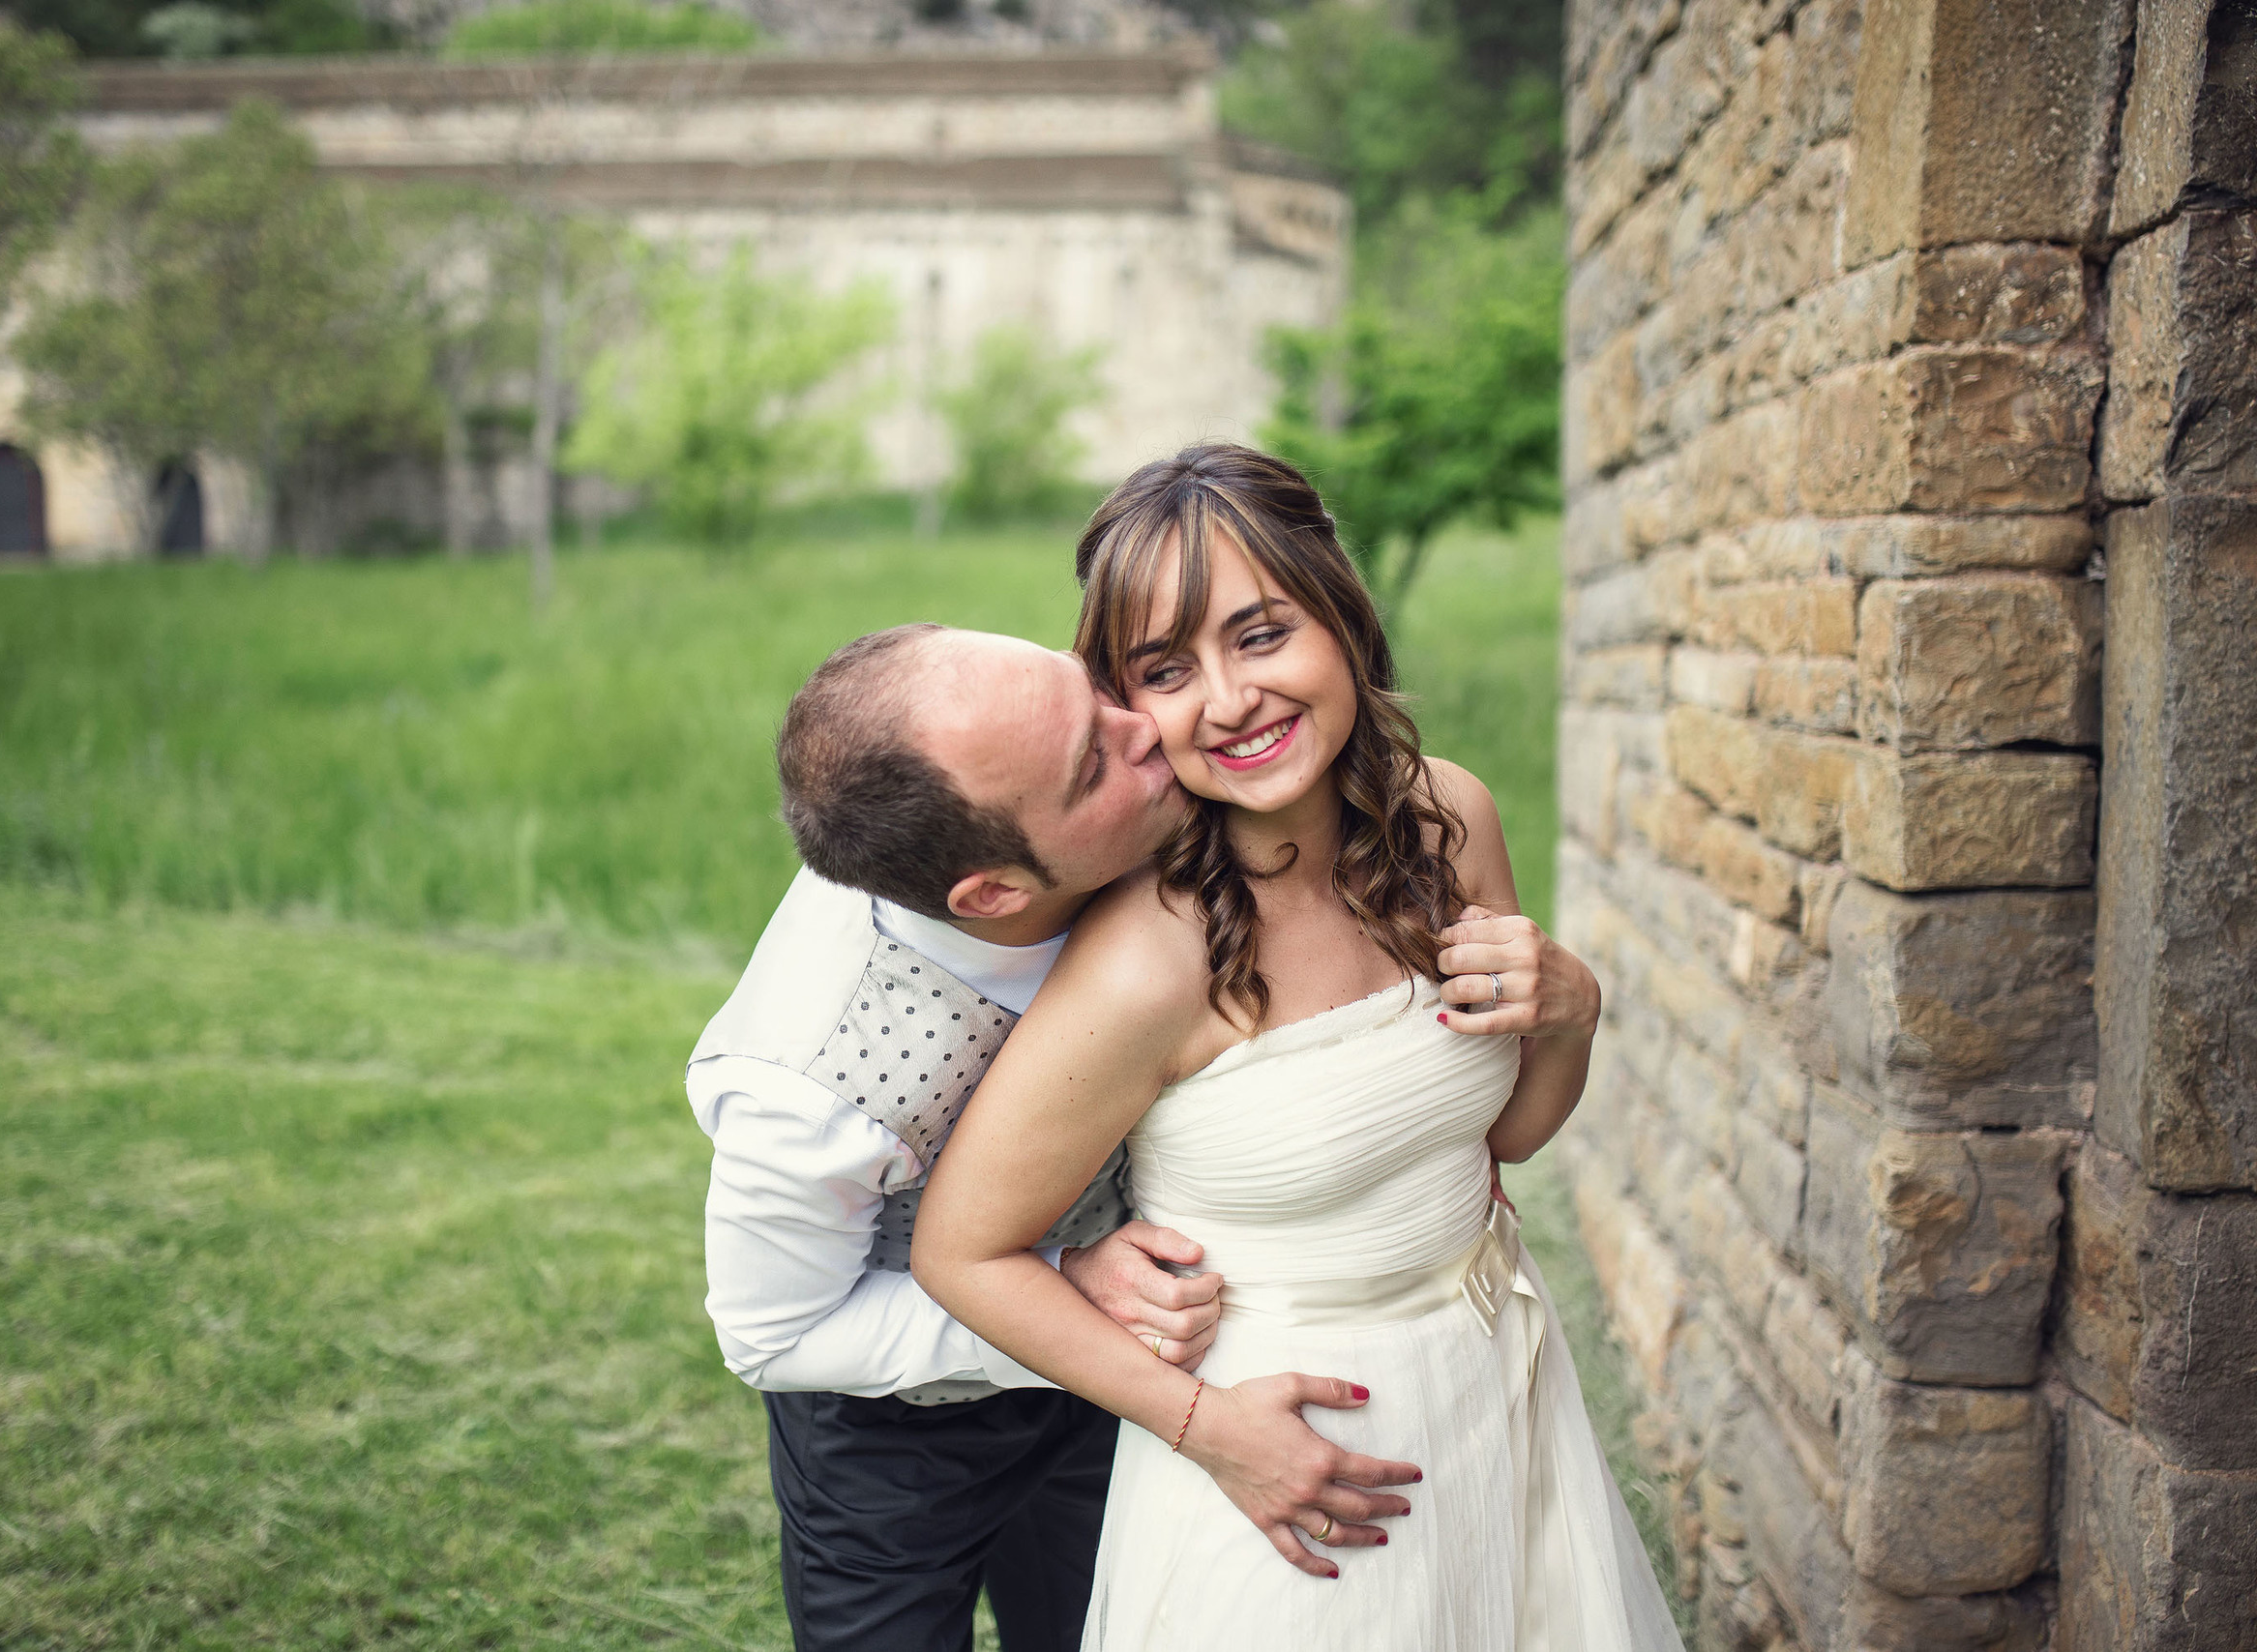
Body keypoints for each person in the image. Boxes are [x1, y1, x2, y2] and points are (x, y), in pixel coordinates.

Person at [911, 445, 1683, 1649]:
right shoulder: (1148, 959)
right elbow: (964, 1251)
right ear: (1128, 705)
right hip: (1295, 1467)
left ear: (1340, 614)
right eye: (1167, 670)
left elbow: (1509, 1134)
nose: (1226, 701)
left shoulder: (1448, 817)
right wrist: (1208, 1427)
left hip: (1498, 1390)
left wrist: (1571, 1010)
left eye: (1261, 635)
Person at [688, 623, 1422, 1652]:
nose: (1149, 730)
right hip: (902, 1435)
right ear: (993, 894)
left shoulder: (1094, 795)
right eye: (1093, 761)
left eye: (1092, 694)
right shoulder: (805, 1086)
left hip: (1130, 1363)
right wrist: (1053, 1287)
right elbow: (774, 1334)